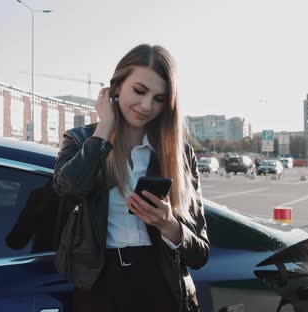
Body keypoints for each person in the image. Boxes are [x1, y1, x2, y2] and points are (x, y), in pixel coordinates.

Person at [52, 44, 209, 312]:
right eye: (139, 91)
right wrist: (103, 129)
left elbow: (200, 253)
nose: (147, 105)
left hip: (162, 286)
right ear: (116, 86)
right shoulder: (80, 140)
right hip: (100, 288)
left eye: (159, 99)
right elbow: (68, 189)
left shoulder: (178, 153)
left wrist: (168, 224)